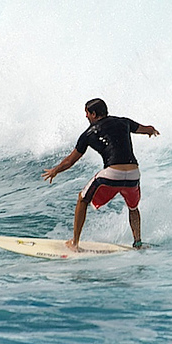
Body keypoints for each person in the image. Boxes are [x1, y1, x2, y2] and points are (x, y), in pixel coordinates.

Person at [42, 98, 159, 251]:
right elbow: (146, 129)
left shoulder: (89, 134)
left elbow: (70, 161)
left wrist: (55, 170)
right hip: (133, 175)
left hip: (112, 174)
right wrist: (152, 131)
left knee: (82, 199)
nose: (86, 116)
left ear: (94, 114)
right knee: (133, 208)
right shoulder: (124, 122)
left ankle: (75, 243)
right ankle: (137, 243)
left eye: (87, 113)